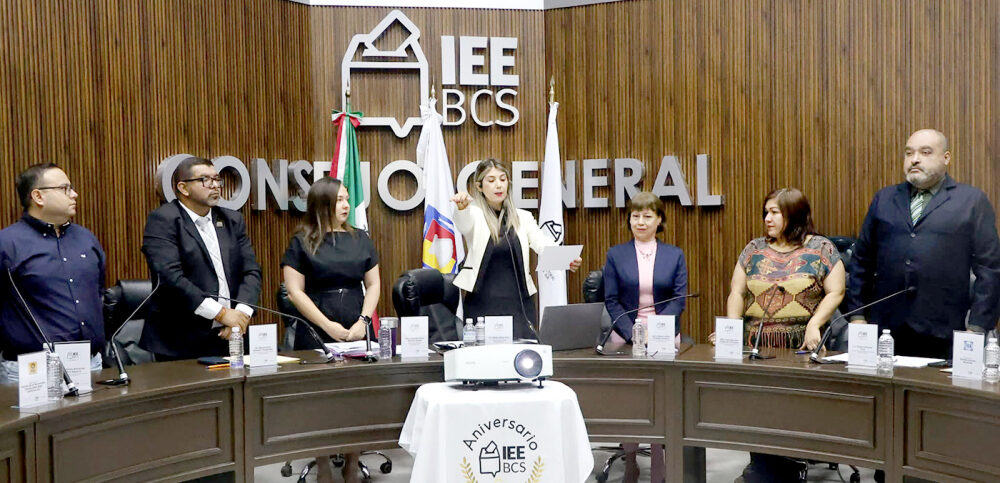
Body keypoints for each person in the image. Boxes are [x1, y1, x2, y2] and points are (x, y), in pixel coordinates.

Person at [724, 188, 845, 483]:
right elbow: (737, 292)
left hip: (799, 347)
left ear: (795, 214)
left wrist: (815, 323)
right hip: (757, 345)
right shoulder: (753, 249)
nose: (767, 218)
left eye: (775, 212)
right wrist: (731, 329)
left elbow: (836, 291)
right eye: (766, 212)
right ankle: (762, 468)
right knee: (758, 411)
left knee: (789, 412)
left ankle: (787, 467)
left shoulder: (821, 248)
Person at [847, 129, 1000, 360]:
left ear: (946, 158)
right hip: (886, 332)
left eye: (925, 152)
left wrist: (977, 327)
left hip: (945, 332)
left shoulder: (971, 201)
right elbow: (862, 261)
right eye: (909, 153)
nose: (915, 159)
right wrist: (857, 315)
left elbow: (990, 269)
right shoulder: (884, 199)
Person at [281, 176, 377, 482]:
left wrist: (363, 321)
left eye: (347, 199)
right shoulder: (301, 240)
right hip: (316, 325)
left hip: (356, 321)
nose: (346, 205)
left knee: (357, 397)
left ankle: (352, 462)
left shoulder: (360, 237)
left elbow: (374, 284)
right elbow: (294, 291)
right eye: (338, 200)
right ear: (321, 205)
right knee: (318, 399)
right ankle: (322, 463)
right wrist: (326, 325)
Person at [602, 191, 687, 483]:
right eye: (635, 216)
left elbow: (679, 300)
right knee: (630, 399)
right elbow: (612, 301)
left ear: (659, 220)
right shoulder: (616, 254)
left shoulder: (674, 254)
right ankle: (630, 460)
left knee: (662, 398)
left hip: (664, 333)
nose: (640, 222)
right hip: (626, 332)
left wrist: (657, 331)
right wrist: (634, 333)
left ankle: (660, 461)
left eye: (647, 216)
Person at [140, 156, 262, 361]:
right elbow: (171, 277)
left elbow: (251, 271)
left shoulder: (232, 220)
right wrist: (221, 314)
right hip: (181, 341)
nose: (215, 185)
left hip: (231, 335)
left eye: (217, 179)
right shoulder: (164, 220)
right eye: (205, 180)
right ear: (183, 188)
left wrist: (240, 316)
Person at [450, 159, 581, 339]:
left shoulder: (523, 217)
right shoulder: (473, 213)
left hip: (519, 302)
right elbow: (463, 224)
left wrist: (566, 259)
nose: (498, 185)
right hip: (482, 301)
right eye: (491, 180)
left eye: (503, 179)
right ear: (479, 187)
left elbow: (541, 242)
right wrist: (461, 209)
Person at [0, 163, 106, 381]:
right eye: (65, 188)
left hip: (89, 363)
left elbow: (98, 292)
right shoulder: (7, 244)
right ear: (38, 196)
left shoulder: (86, 238)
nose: (74, 194)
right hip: (31, 369)